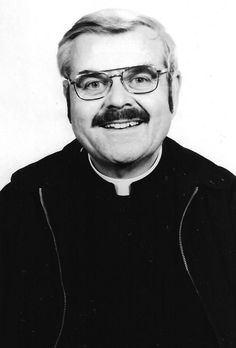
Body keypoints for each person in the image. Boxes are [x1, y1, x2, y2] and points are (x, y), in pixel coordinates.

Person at [0, 8, 236, 348]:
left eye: (140, 78)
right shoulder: (18, 207)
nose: (118, 101)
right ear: (68, 99)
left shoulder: (225, 204)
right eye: (93, 83)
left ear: (174, 89)